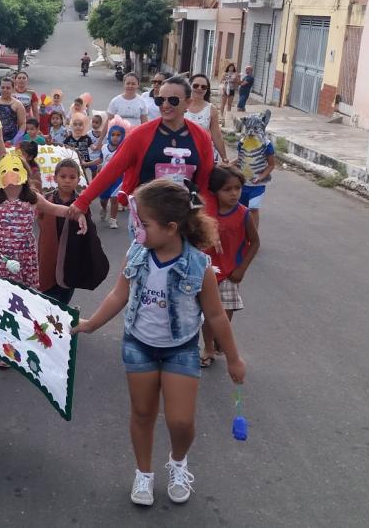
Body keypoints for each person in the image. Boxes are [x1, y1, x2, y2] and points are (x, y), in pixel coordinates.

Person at [72, 180, 246, 508]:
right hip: (139, 345)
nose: (136, 229)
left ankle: (178, 463)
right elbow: (118, 294)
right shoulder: (137, 254)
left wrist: (234, 359)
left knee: (181, 421)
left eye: (143, 224)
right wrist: (90, 325)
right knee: (142, 412)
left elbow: (216, 315)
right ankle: (144, 473)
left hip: (180, 348)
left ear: (170, 227)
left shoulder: (199, 266)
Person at [0, 153, 88, 369]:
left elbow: (55, 209)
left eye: (15, 170)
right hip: (0, 260)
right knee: (4, 302)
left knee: (24, 302)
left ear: (23, 173)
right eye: (4, 171)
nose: (10, 176)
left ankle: (26, 339)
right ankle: (6, 346)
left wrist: (77, 214)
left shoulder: (32, 197)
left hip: (25, 259)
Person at [66, 76, 216, 223]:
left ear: (188, 103)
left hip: (185, 218)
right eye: (160, 100)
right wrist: (83, 201)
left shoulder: (201, 138)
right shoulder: (140, 135)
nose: (165, 105)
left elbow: (205, 184)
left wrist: (208, 221)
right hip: (146, 218)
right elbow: (111, 170)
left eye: (173, 100)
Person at [200, 165, 259, 368]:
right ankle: (207, 347)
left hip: (229, 274)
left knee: (225, 314)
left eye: (237, 188)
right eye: (227, 189)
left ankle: (219, 338)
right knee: (208, 315)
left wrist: (241, 269)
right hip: (206, 272)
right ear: (214, 191)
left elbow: (255, 242)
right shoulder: (205, 213)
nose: (234, 193)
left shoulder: (243, 214)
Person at [38, 159, 89, 304]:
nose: (67, 181)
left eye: (72, 177)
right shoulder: (47, 200)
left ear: (78, 180)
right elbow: (40, 220)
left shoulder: (81, 203)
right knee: (47, 294)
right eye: (63, 176)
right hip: (49, 252)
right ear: (55, 178)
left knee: (65, 291)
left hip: (71, 254)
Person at [235, 110, 276, 230]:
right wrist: (226, 165)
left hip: (258, 185)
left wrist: (260, 177)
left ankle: (253, 236)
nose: (251, 132)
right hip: (242, 183)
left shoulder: (266, 145)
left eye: (255, 128)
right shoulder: (242, 143)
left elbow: (271, 165)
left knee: (253, 207)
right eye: (249, 128)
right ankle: (242, 234)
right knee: (242, 209)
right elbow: (240, 160)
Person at [186, 74, 229, 163]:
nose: (199, 88)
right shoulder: (180, 105)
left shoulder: (211, 109)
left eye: (203, 87)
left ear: (207, 90)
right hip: (182, 153)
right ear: (189, 86)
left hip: (204, 153)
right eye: (196, 85)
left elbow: (216, 135)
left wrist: (224, 158)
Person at [99, 121, 128, 228]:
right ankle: (103, 208)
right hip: (104, 177)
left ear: (123, 136)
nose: (115, 137)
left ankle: (113, 220)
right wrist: (85, 163)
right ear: (109, 135)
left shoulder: (124, 149)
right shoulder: (104, 148)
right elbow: (99, 161)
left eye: (118, 135)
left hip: (118, 178)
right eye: (113, 135)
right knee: (103, 199)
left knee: (114, 198)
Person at [0, 77, 27, 144]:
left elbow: (23, 124)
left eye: (8, 88)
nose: (5, 90)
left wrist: (15, 140)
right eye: (3, 87)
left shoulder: (18, 104)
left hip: (10, 140)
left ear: (13, 89)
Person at [64, 113, 98, 180]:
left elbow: (93, 148)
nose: (78, 126)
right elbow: (64, 149)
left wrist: (99, 144)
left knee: (94, 167)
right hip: (73, 161)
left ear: (84, 126)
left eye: (80, 125)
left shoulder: (86, 138)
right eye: (75, 125)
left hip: (86, 161)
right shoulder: (68, 139)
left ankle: (93, 182)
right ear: (72, 126)